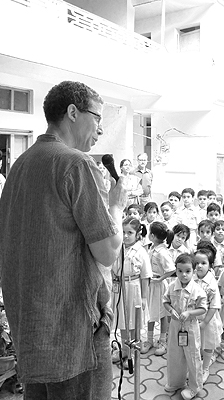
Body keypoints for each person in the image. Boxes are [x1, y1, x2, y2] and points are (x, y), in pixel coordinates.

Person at [0, 81, 127, 400]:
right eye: (98, 118)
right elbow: (109, 252)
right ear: (73, 112)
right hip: (74, 342)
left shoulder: (20, 166)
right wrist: (116, 205)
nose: (100, 130)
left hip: (32, 339)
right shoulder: (76, 163)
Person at [163, 253, 207, 400]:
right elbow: (166, 302)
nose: (183, 275)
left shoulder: (197, 290)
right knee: (175, 354)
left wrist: (189, 312)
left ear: (193, 271)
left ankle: (195, 387)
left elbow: (203, 308)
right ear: (175, 270)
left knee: (193, 356)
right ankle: (176, 382)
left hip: (190, 327)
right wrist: (170, 310)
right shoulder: (171, 286)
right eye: (180, 271)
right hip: (175, 326)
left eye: (188, 271)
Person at [111, 218, 152, 368]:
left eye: (130, 232)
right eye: (123, 232)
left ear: (137, 234)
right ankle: (124, 350)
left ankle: (133, 354)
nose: (126, 236)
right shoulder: (117, 247)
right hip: (119, 288)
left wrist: (144, 298)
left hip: (133, 288)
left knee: (133, 323)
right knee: (122, 322)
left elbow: (145, 276)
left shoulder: (141, 252)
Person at [141, 222, 175, 356]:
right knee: (151, 312)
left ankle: (163, 340)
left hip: (159, 286)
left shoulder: (162, 252)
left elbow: (171, 269)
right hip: (151, 285)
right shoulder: (153, 248)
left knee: (162, 313)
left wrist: (161, 279)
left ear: (153, 236)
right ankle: (149, 340)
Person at [194, 242, 223, 383]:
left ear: (210, 265)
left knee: (207, 345)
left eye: (203, 263)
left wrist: (205, 322)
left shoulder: (211, 282)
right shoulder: (191, 278)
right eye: (196, 263)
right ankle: (195, 365)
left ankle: (205, 368)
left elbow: (215, 305)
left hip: (207, 320)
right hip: (192, 319)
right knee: (195, 344)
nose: (199, 266)